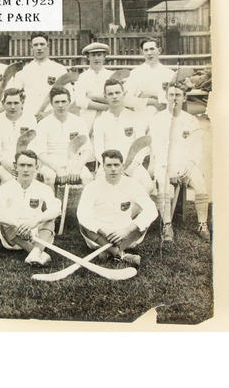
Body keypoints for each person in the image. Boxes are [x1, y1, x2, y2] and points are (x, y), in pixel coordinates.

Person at [149, 82, 210, 242]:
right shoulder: (157, 120)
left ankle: (202, 224)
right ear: (166, 97)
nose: (174, 98)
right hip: (165, 165)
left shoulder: (191, 120)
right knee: (163, 183)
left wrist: (187, 168)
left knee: (200, 184)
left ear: (184, 98)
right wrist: (168, 170)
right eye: (171, 95)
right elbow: (158, 149)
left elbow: (196, 148)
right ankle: (167, 225)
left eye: (177, 95)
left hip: (185, 166)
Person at [77, 149, 157, 266]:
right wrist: (103, 230)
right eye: (109, 165)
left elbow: (151, 209)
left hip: (124, 235)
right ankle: (120, 254)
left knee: (143, 223)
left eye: (116, 165)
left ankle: (108, 251)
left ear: (122, 166)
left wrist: (127, 230)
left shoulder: (132, 184)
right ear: (103, 167)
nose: (113, 169)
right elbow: (82, 214)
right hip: (100, 234)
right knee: (85, 226)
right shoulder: (92, 187)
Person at [0, 150, 61, 266]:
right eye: (22, 165)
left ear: (36, 167)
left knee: (50, 218)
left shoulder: (43, 188)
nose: (26, 169)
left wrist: (35, 221)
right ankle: (36, 252)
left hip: (35, 235)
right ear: (15, 166)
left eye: (30, 165)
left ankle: (35, 253)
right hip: (13, 235)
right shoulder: (6, 187)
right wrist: (18, 225)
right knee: (4, 220)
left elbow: (56, 208)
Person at [92, 79, 154, 194]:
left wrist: (132, 167)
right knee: (100, 190)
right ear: (105, 96)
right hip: (109, 165)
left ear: (124, 94)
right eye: (110, 94)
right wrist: (110, 166)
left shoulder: (135, 117)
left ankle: (130, 212)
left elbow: (142, 146)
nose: (114, 96)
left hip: (132, 165)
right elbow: (98, 149)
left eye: (117, 93)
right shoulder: (100, 121)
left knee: (148, 186)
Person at [36, 86, 93, 189]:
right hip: (51, 164)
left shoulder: (79, 122)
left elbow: (87, 150)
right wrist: (57, 169)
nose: (60, 105)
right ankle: (52, 205)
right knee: (49, 177)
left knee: (88, 178)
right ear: (51, 104)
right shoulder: (43, 123)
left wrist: (77, 168)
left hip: (74, 163)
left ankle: (84, 205)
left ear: (69, 102)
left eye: (63, 101)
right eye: (57, 102)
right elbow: (41, 153)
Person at [10, 32, 71, 119]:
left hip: (53, 117)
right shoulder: (24, 71)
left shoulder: (59, 69)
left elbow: (69, 97)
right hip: (29, 117)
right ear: (31, 47)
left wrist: (49, 113)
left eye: (42, 44)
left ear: (48, 45)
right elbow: (14, 97)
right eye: (36, 45)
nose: (39, 48)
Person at [0, 88, 37, 184]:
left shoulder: (30, 119)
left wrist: (22, 164)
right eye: (9, 103)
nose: (12, 107)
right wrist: (6, 164)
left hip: (26, 162)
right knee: (8, 180)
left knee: (29, 181)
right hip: (4, 163)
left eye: (16, 103)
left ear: (22, 103)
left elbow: (32, 146)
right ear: (3, 104)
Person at [124, 37, 175, 128]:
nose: (149, 53)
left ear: (159, 50)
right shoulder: (135, 73)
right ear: (142, 52)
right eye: (146, 50)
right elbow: (126, 99)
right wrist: (150, 101)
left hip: (164, 119)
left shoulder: (169, 74)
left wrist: (154, 94)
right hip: (142, 119)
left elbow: (174, 99)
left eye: (152, 49)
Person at [73, 42, 113, 130]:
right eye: (93, 55)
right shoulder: (81, 77)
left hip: (110, 118)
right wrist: (108, 106)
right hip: (88, 120)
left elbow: (116, 98)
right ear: (88, 57)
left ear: (104, 56)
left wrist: (92, 96)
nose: (96, 58)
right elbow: (80, 101)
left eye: (99, 55)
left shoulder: (112, 76)